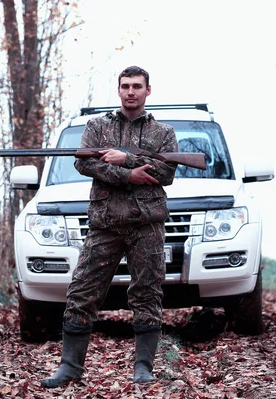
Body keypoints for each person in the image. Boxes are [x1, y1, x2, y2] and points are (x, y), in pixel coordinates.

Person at [41, 66, 178, 388]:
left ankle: (143, 368)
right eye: (125, 86)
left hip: (147, 224)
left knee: (147, 293)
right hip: (105, 223)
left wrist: (127, 159)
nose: (131, 92)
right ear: (118, 90)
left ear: (148, 91)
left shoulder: (164, 132)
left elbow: (167, 173)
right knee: (82, 291)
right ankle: (70, 368)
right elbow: (83, 162)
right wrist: (126, 175)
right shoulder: (97, 126)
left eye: (137, 86)